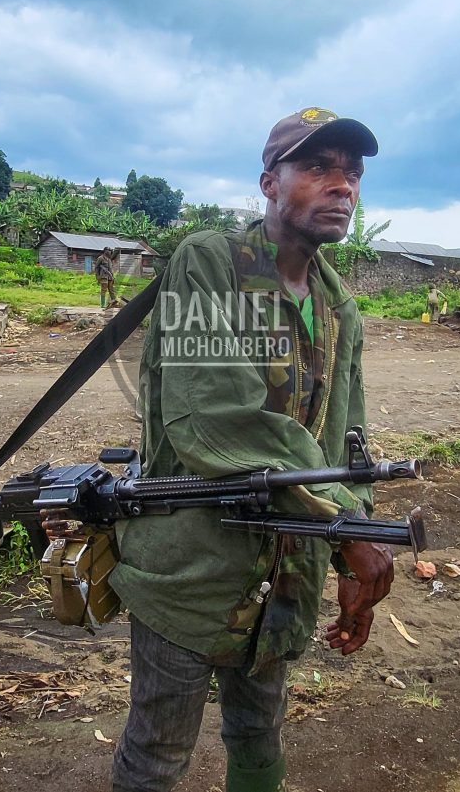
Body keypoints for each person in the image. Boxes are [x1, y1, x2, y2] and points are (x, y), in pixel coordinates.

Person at [110, 107, 394, 792]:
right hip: (192, 567)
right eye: (319, 166)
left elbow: (344, 440)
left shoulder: (337, 304)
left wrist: (353, 527)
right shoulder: (208, 260)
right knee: (158, 750)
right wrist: (344, 525)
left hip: (285, 574)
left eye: (351, 173)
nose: (342, 185)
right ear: (270, 183)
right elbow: (216, 419)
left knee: (259, 732)